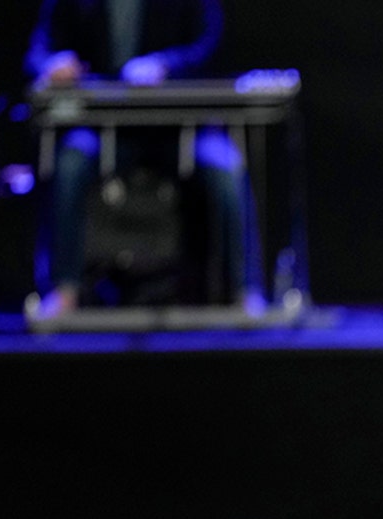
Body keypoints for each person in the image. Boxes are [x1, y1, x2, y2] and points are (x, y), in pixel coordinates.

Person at [26, 0, 255, 315]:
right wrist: (52, 64)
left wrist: (165, 65)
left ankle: (245, 292)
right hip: (104, 127)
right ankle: (65, 290)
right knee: (71, 161)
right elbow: (39, 51)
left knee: (224, 167)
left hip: (181, 126)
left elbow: (210, 43)